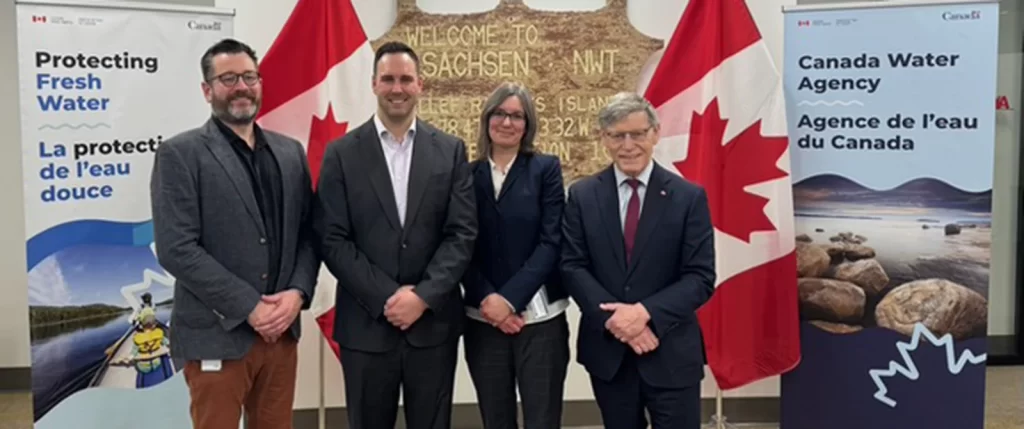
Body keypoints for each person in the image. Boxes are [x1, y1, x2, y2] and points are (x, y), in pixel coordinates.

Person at [150, 38, 319, 429]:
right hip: (216, 335)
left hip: (281, 334)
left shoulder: (290, 152)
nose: (241, 87)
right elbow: (177, 248)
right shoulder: (180, 154)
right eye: (228, 79)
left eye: (249, 77)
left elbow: (309, 235)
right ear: (207, 90)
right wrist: (250, 307)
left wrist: (296, 295)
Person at [313, 40, 477, 429]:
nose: (397, 88)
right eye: (388, 79)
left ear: (421, 84)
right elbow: (332, 238)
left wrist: (422, 296)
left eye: (405, 79)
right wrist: (388, 296)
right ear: (373, 85)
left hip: (433, 324)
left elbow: (462, 233)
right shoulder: (341, 154)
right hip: (367, 323)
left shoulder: (450, 151)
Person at [559, 92, 716, 429]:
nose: (628, 145)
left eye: (638, 134)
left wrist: (643, 314)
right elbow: (572, 266)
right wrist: (619, 322)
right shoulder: (582, 195)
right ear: (604, 139)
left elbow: (700, 278)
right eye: (617, 135)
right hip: (609, 354)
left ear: (655, 133)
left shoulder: (688, 197)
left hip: (671, 351)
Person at [461, 83, 569, 429]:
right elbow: (459, 244)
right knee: (496, 419)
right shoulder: (465, 174)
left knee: (543, 419)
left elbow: (551, 241)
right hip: (483, 318)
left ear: (528, 124)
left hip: (540, 321)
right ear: (487, 118)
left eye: (517, 116)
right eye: (500, 113)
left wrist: (510, 299)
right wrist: (490, 302)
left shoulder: (545, 169)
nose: (507, 122)